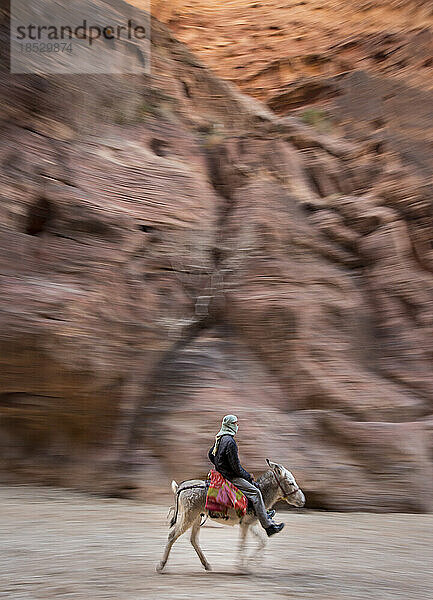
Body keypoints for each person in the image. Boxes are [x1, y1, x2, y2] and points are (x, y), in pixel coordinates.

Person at [208, 414, 284, 537]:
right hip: (230, 477)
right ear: (230, 425)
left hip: (223, 474)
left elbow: (210, 454)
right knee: (256, 492)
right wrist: (247, 476)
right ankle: (268, 527)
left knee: (255, 487)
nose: (237, 426)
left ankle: (263, 512)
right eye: (235, 423)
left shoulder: (221, 438)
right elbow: (236, 468)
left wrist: (219, 466)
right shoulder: (230, 442)